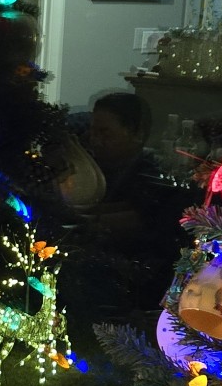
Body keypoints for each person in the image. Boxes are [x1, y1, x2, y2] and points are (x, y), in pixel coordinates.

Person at [60, 93, 186, 355]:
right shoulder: (97, 166)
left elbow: (130, 217)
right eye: (93, 130)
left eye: (105, 132)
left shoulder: (150, 174)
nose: (95, 139)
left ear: (136, 134)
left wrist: (79, 220)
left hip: (134, 273)